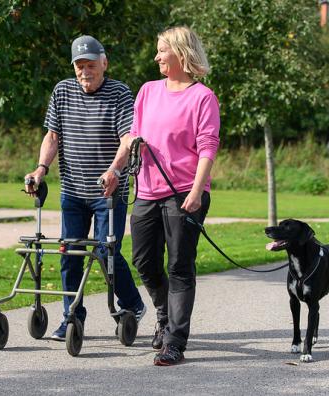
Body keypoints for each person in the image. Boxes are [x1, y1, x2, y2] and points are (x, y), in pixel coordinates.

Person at [101, 26, 220, 365]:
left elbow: (208, 146)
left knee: (180, 265)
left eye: (161, 50)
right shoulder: (148, 91)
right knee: (143, 260)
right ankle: (163, 316)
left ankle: (175, 341)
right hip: (147, 190)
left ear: (180, 53)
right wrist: (115, 169)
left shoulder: (202, 97)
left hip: (184, 192)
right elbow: (132, 138)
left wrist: (198, 190)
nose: (156, 57)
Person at [24, 34, 146, 341]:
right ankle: (71, 318)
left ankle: (131, 305)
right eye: (79, 66)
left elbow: (127, 139)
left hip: (108, 191)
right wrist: (41, 169)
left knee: (107, 253)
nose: (84, 72)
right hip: (72, 190)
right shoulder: (62, 91)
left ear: (104, 63)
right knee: (70, 252)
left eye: (90, 65)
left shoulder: (119, 93)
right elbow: (53, 137)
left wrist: (114, 170)